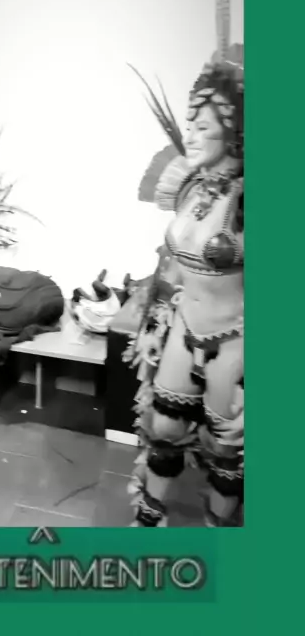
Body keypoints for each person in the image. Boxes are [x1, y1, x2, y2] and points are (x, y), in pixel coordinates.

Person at [127, 51, 244, 528]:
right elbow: (171, 262)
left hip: (235, 340)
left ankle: (219, 541)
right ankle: (149, 523)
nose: (190, 136)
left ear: (233, 133)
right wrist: (153, 324)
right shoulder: (190, 186)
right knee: (163, 428)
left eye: (202, 127)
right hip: (183, 327)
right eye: (189, 125)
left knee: (226, 449)